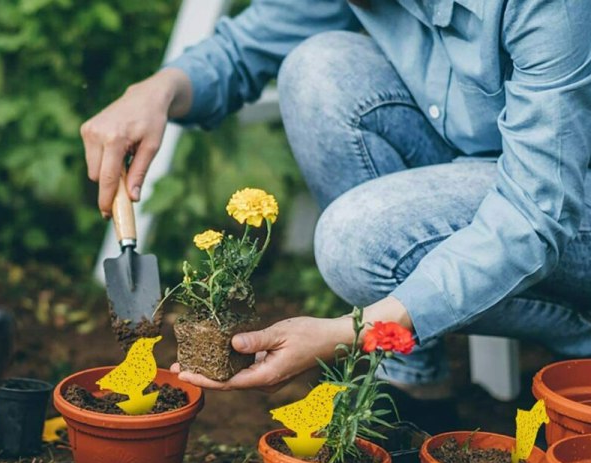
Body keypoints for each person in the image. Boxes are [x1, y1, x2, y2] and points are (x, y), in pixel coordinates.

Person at [81, 1, 591, 401]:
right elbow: (248, 47)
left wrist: (354, 331)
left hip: (565, 208)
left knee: (357, 240)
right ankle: (411, 384)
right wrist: (158, 89)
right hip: (483, 170)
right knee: (316, 68)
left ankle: (579, 331)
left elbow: (536, 213)